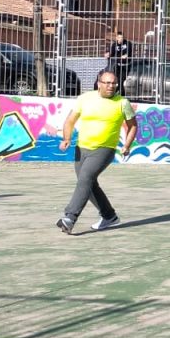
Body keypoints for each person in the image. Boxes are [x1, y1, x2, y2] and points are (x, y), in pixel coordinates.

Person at [56, 70, 137, 234]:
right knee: (88, 183)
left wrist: (127, 145)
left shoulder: (122, 103)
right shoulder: (85, 98)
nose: (111, 86)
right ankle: (109, 216)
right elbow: (71, 120)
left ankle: (70, 217)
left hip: (105, 149)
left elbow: (133, 126)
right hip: (82, 147)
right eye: (107, 83)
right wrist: (66, 138)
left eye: (114, 83)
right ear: (99, 84)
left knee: (85, 178)